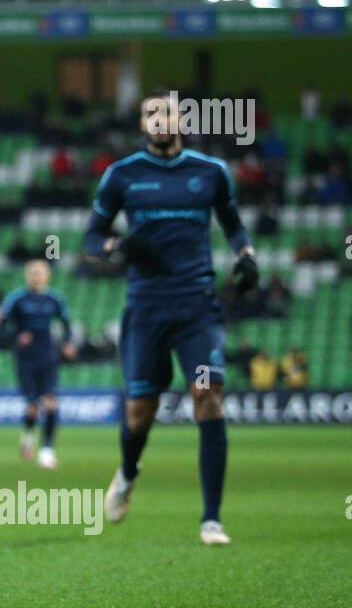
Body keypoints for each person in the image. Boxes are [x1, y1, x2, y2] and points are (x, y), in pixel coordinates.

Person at [83, 90, 259, 545]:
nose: (161, 119)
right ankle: (127, 472)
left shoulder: (211, 172)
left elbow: (233, 222)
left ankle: (212, 519)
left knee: (208, 394)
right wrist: (117, 247)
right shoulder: (121, 176)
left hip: (198, 307)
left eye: (169, 112)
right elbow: (90, 238)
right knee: (141, 412)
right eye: (151, 113)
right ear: (143, 123)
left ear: (182, 119)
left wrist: (246, 254)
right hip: (146, 309)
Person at [0, 259, 76, 469]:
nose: (36, 276)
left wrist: (68, 343)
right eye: (32, 273)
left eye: (40, 273)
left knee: (50, 402)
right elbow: (1, 329)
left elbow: (66, 324)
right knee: (32, 407)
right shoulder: (17, 299)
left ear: (47, 275)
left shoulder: (54, 299)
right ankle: (28, 435)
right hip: (25, 358)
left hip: (48, 355)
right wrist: (16, 337)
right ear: (26, 275)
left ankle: (47, 450)